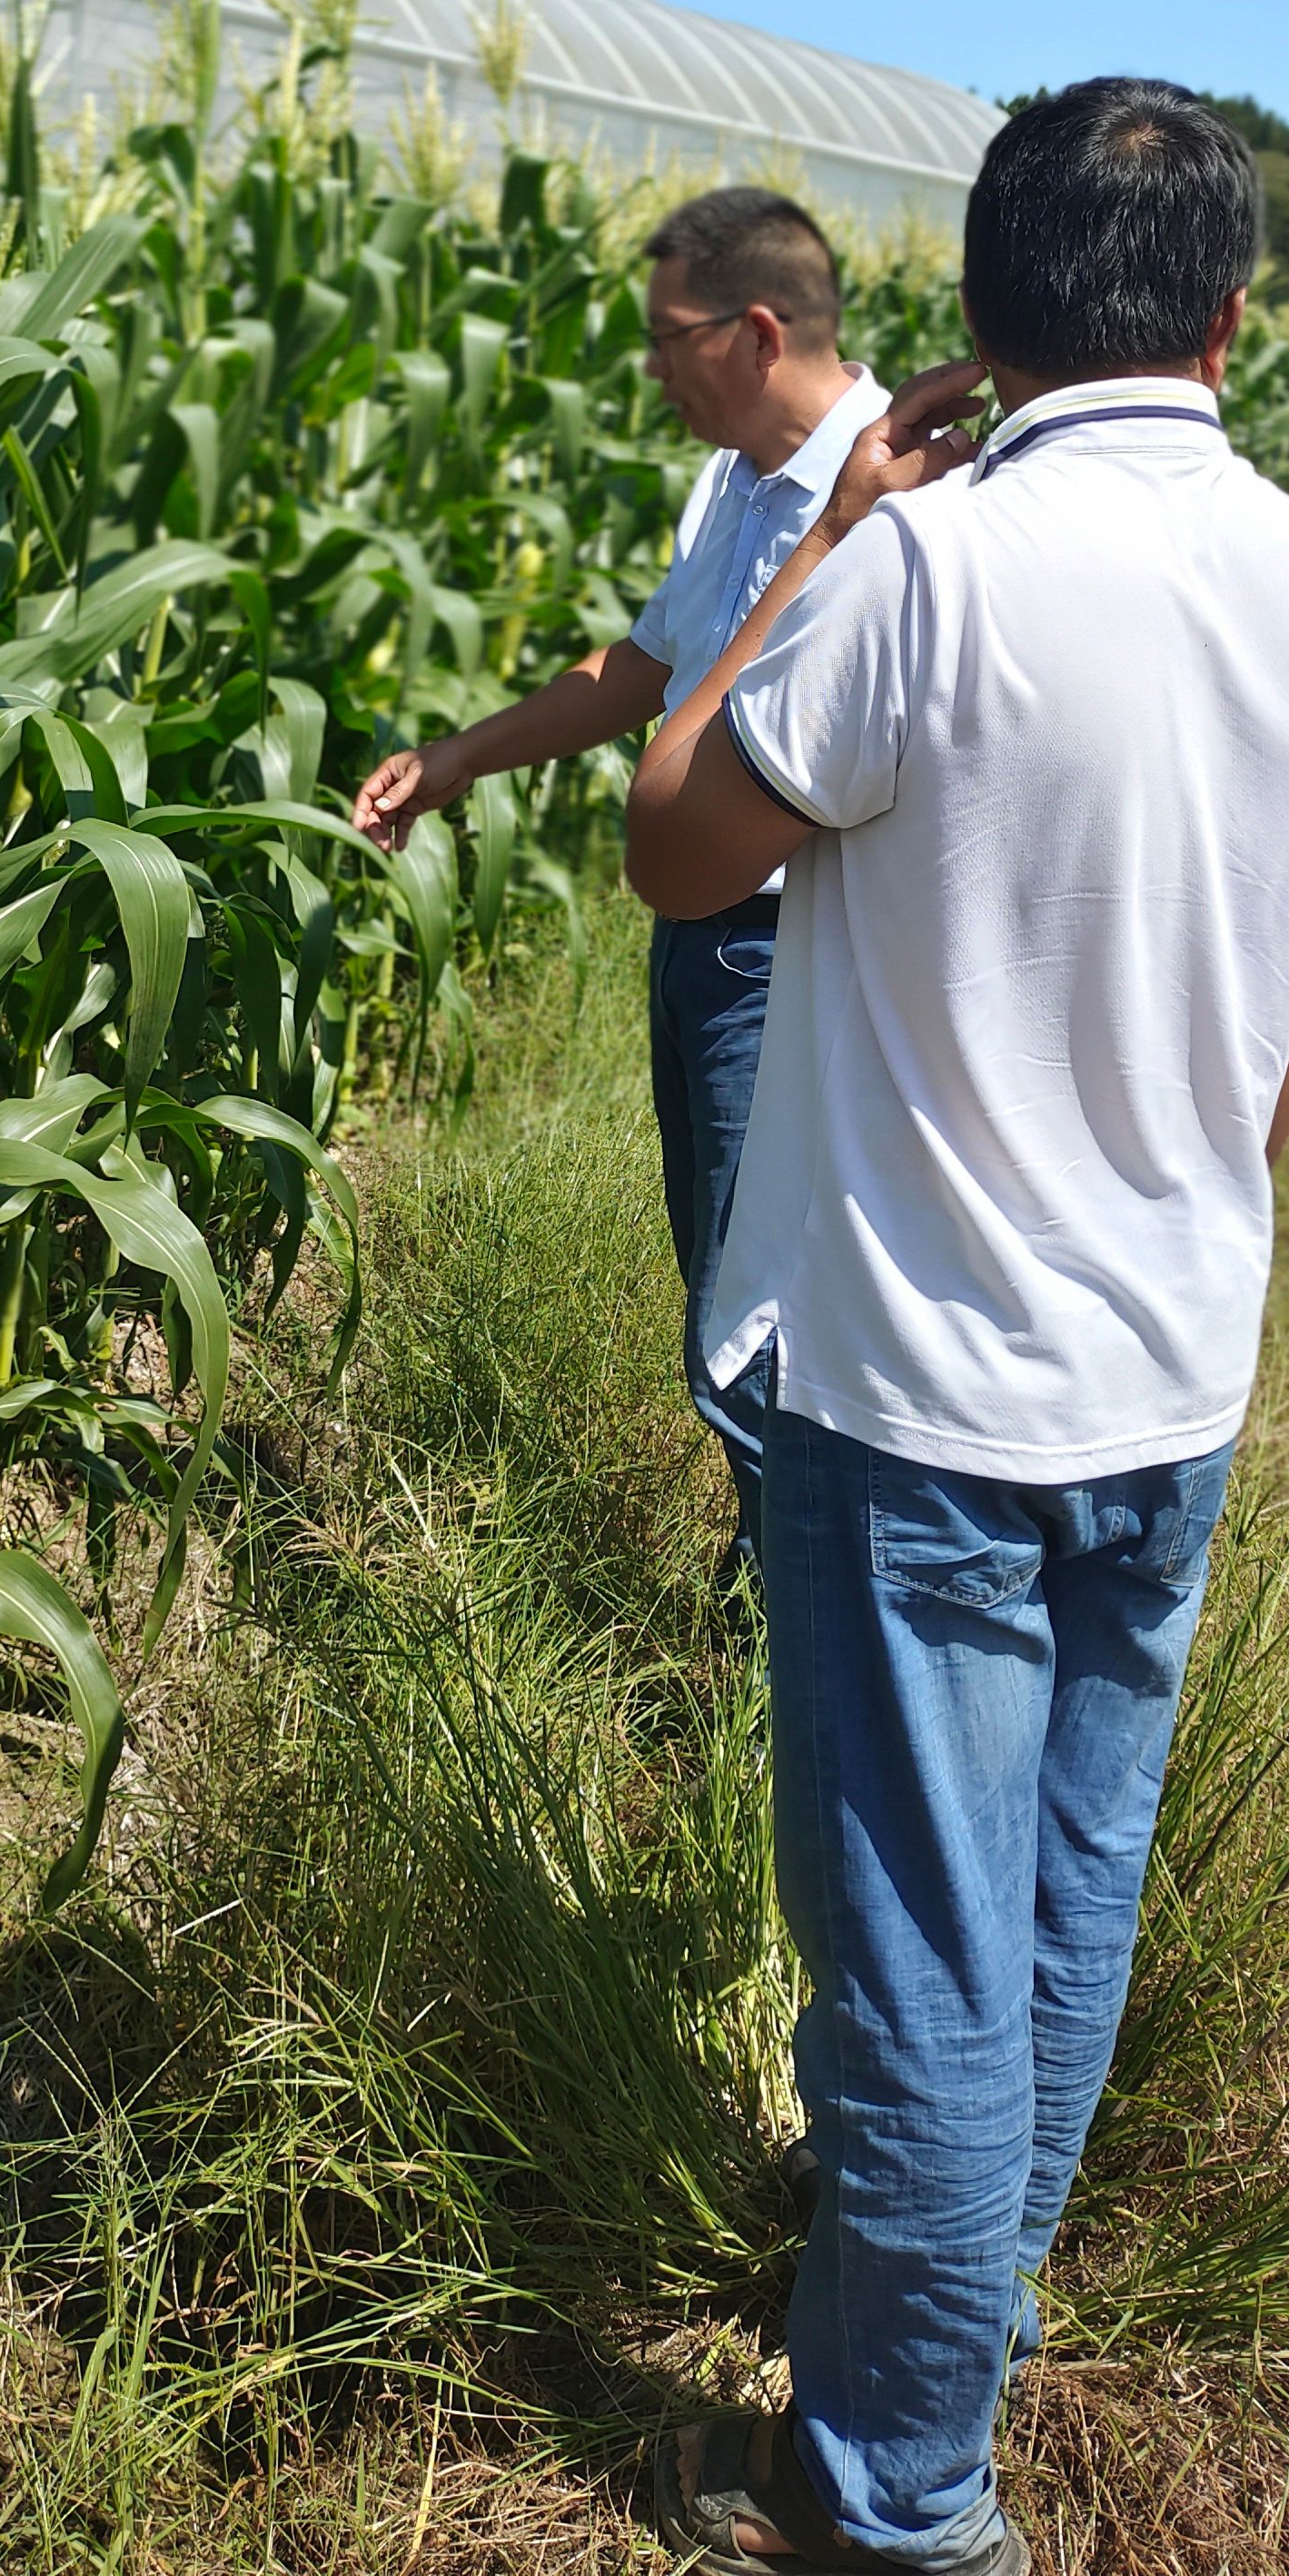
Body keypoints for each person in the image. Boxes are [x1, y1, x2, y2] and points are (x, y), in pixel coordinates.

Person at [625, 83, 1289, 2572]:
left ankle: (895, 2496)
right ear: (1230, 312)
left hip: (920, 1387)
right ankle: (970, 2311)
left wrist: (827, 544)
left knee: (924, 1961)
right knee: (1063, 1906)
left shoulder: (930, 573)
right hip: (1172, 1371)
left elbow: (676, 842)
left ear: (974, 312)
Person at [352, 184, 888, 1584]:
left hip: (799, 949)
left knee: (763, 1324)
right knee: (726, 1303)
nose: (649, 367)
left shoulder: (895, 498)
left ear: (758, 333)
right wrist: (456, 759)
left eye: (668, 337)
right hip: (707, 945)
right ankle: (767, 1589)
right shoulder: (733, 480)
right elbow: (646, 674)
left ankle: (792, 1642)